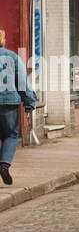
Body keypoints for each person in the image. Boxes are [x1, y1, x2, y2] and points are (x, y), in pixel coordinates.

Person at [0, 30, 36, 186]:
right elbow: (23, 82)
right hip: (8, 103)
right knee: (10, 135)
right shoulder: (12, 57)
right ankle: (4, 165)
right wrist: (29, 102)